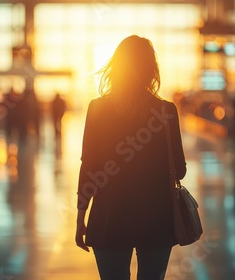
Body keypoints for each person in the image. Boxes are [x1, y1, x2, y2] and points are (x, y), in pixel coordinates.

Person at [75, 35, 187, 280]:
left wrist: (80, 217)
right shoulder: (166, 111)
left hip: (108, 217)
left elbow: (89, 168)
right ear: (151, 70)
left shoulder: (97, 109)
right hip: (157, 218)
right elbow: (179, 170)